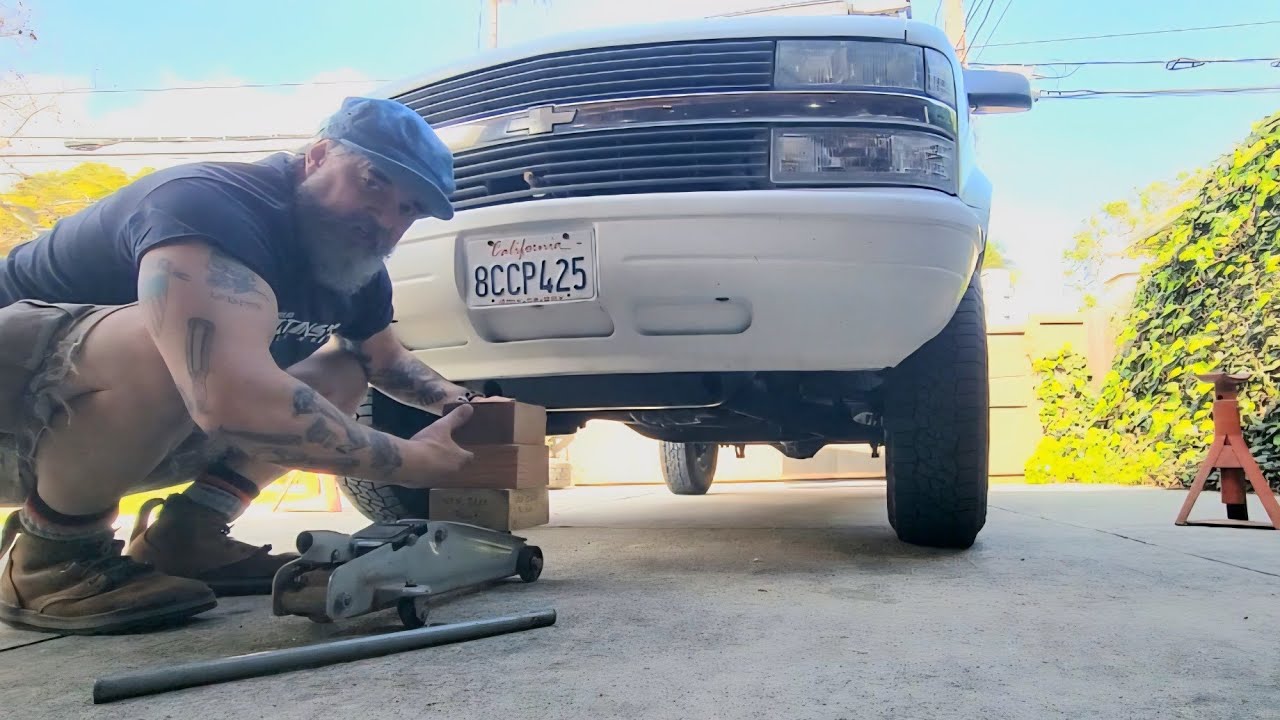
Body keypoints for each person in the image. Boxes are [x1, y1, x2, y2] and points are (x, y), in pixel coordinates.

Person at [0, 96, 497, 635]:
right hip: (14, 420)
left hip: (94, 432)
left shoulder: (354, 267)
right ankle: (51, 560)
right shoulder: (210, 204)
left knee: (342, 371)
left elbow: (384, 361)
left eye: (409, 208)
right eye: (373, 182)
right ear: (319, 155)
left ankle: (188, 535)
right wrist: (410, 460)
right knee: (179, 341)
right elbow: (228, 395)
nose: (385, 218)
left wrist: (464, 406)